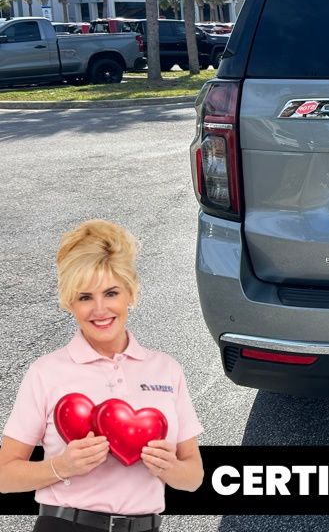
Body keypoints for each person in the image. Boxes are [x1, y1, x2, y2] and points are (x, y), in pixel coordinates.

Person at [0, 220, 203, 531]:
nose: (100, 309)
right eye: (85, 297)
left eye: (111, 293)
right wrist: (61, 466)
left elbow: (194, 477)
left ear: (130, 293)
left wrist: (170, 467)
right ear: (70, 302)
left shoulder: (166, 369)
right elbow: (4, 476)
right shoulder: (46, 372)